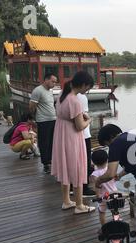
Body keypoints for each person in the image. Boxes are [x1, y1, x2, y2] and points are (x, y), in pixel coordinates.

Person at [51, 71, 96, 215]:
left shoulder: (61, 96)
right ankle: (79, 205)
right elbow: (80, 126)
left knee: (65, 166)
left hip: (61, 134)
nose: (86, 91)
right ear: (83, 85)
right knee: (77, 167)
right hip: (72, 136)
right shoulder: (75, 101)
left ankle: (66, 201)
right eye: (87, 88)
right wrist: (89, 120)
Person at [29, 73, 58, 174]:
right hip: (43, 120)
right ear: (46, 80)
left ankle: (51, 161)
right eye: (52, 81)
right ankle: (46, 163)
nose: (54, 83)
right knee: (44, 142)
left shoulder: (50, 91)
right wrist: (34, 119)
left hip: (53, 120)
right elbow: (32, 106)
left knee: (52, 142)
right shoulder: (38, 90)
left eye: (55, 82)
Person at [90, 150, 119, 226]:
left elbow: (96, 187)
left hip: (103, 196)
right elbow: (115, 178)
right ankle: (117, 223)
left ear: (93, 162)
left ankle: (104, 227)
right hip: (114, 194)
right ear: (107, 160)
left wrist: (97, 196)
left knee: (102, 212)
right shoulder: (110, 171)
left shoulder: (95, 174)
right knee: (115, 210)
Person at [77, 92, 95, 197]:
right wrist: (90, 119)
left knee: (79, 161)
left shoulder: (65, 95)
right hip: (84, 135)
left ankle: (72, 185)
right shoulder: (81, 96)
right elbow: (84, 114)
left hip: (75, 135)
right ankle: (84, 187)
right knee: (85, 161)